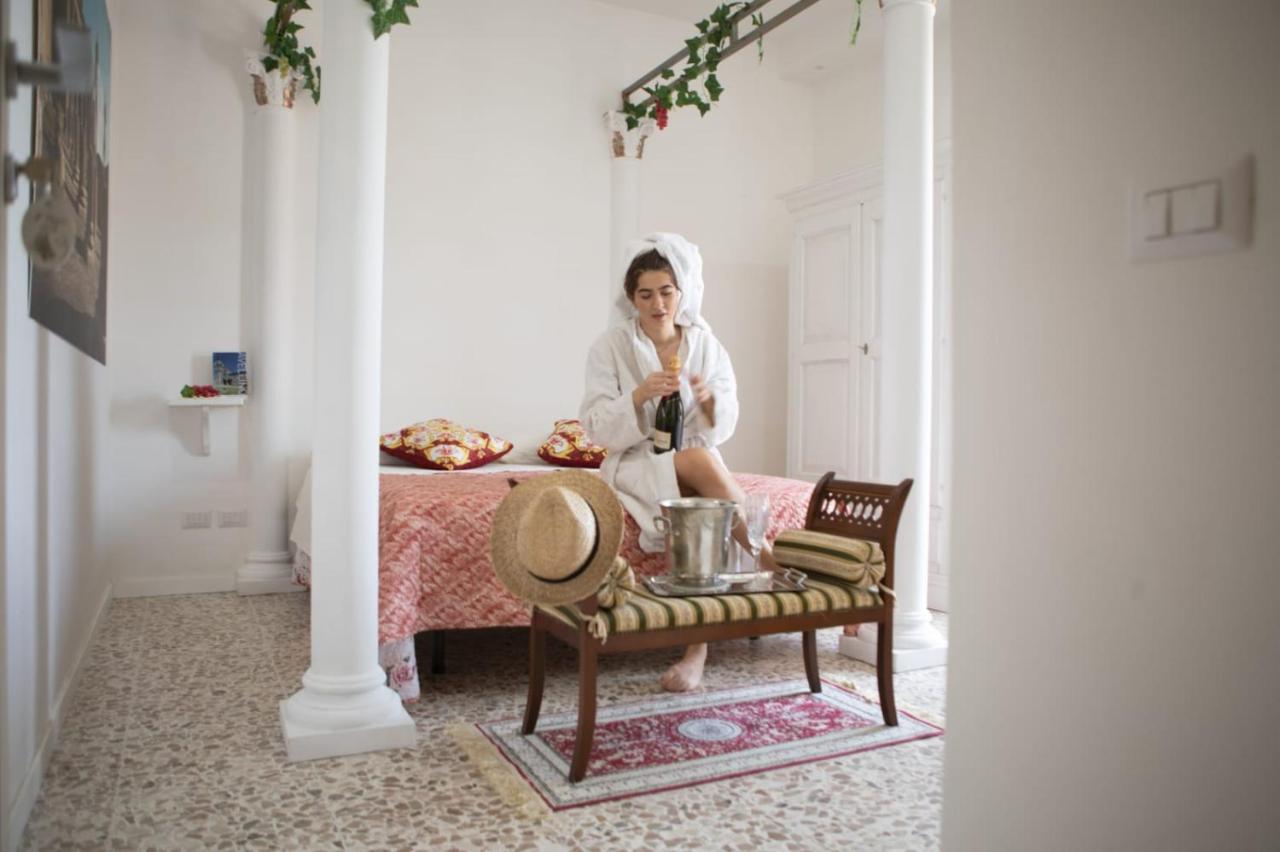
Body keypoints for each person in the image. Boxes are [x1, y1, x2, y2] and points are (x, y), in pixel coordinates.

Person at [579, 233, 780, 693]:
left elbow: (722, 424)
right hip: (636, 460)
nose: (657, 303)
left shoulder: (707, 347)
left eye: (666, 292)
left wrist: (707, 402)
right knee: (696, 467)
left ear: (681, 292)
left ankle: (697, 651)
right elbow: (593, 426)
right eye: (646, 294)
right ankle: (768, 558)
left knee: (698, 487)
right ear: (631, 298)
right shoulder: (609, 347)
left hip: (696, 458)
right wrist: (638, 396)